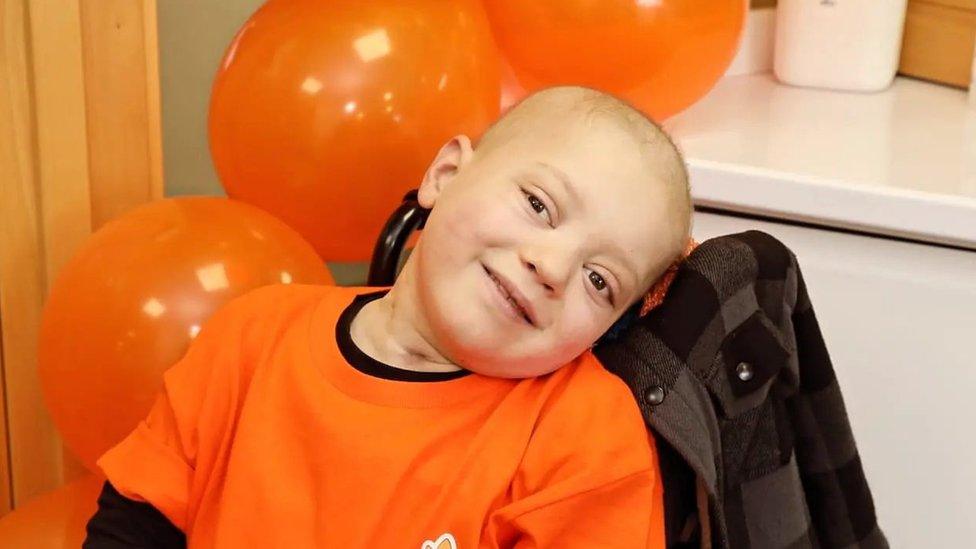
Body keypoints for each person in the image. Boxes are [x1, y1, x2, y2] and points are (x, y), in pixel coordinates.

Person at [83, 85, 693, 548]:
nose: (553, 267)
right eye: (539, 204)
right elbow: (135, 525)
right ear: (445, 175)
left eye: (599, 280)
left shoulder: (587, 443)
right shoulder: (251, 338)